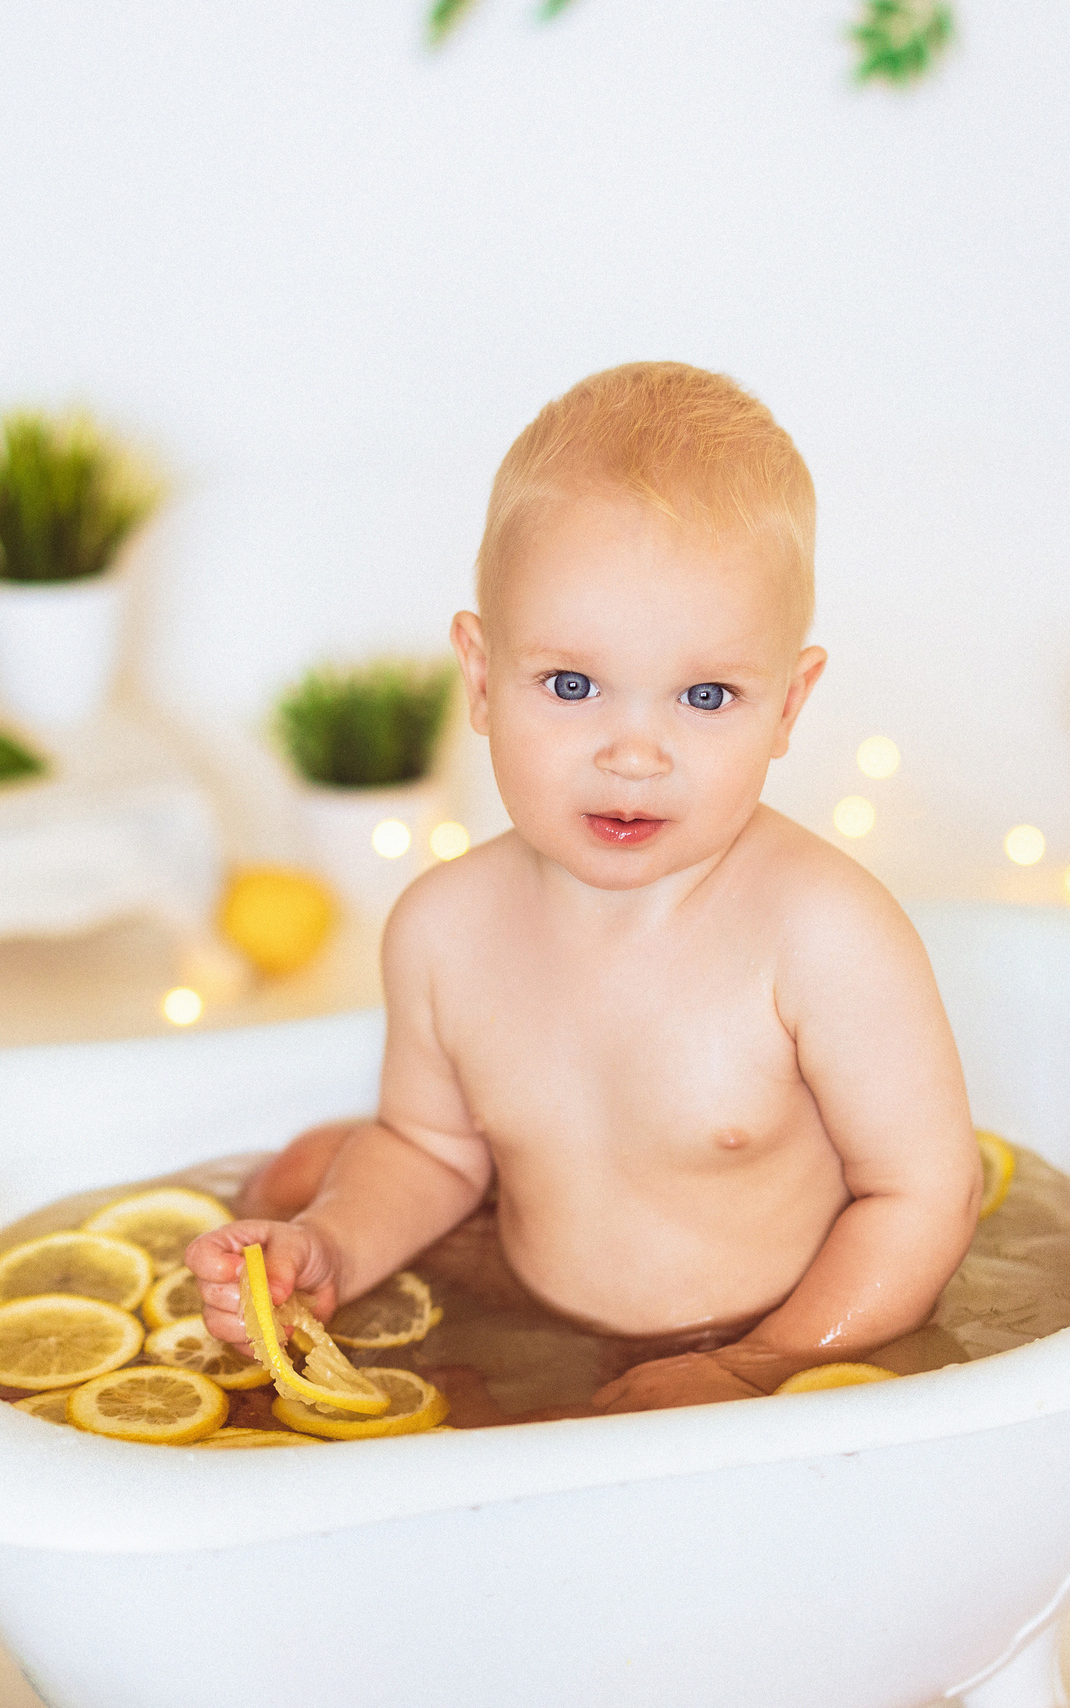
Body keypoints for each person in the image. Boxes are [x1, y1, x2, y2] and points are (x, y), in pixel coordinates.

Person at [187, 361, 980, 1413]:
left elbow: (925, 1192)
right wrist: (332, 1244)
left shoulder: (820, 933)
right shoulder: (443, 929)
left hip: (771, 1340)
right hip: (527, 1311)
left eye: (706, 694)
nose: (633, 753)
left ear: (787, 706)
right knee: (298, 1182)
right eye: (570, 685)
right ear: (479, 676)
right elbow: (431, 1148)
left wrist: (757, 1367)